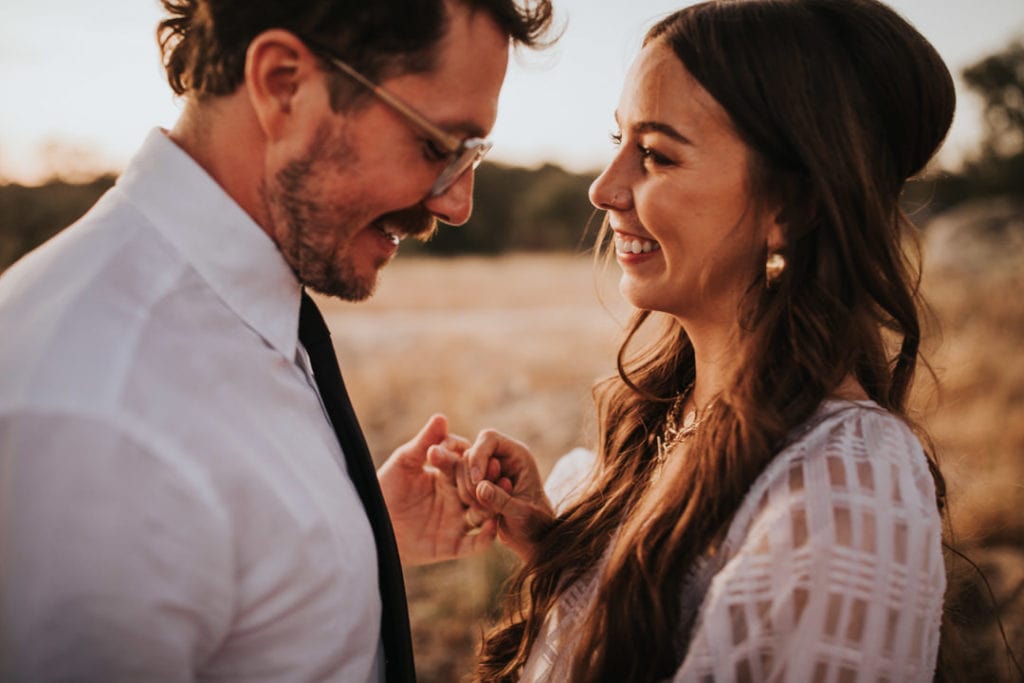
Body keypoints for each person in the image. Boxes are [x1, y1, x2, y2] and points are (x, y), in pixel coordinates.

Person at [0, 0, 553, 681]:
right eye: (438, 146)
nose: (456, 203)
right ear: (284, 83)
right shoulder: (91, 415)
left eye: (471, 155)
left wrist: (359, 532)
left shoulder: (239, 308)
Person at [453, 0, 955, 680]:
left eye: (656, 154)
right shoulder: (672, 414)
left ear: (794, 206)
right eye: (618, 143)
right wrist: (565, 552)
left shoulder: (845, 492)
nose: (605, 188)